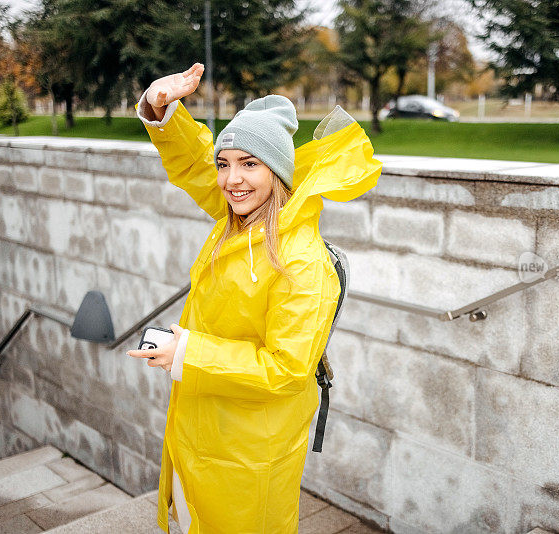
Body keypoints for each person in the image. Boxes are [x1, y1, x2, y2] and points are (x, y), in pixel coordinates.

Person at [126, 62, 382, 533]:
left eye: (249, 164)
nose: (230, 179)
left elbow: (285, 367)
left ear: (277, 172)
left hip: (251, 447)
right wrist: (162, 110)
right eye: (226, 163)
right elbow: (195, 162)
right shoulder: (239, 216)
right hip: (204, 424)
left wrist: (185, 351)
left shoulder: (302, 261)